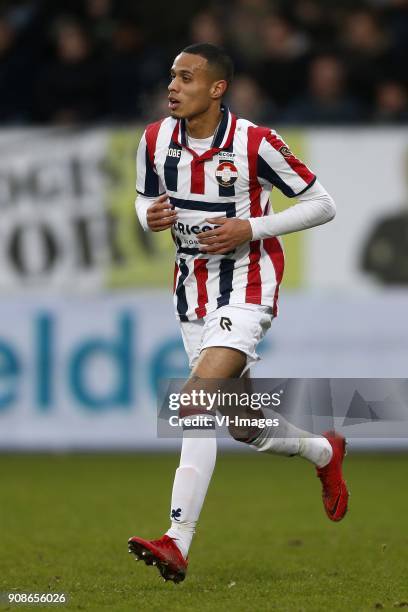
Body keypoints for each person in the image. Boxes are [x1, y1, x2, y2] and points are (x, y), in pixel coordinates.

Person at [128, 43, 348, 583]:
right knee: (244, 425)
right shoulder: (155, 140)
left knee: (196, 399)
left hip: (248, 287)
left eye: (186, 78)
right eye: (171, 77)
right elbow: (141, 197)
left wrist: (252, 227)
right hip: (191, 294)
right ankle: (323, 451)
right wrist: (147, 215)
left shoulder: (256, 142)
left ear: (217, 88)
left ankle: (177, 539)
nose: (173, 87)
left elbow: (323, 203)